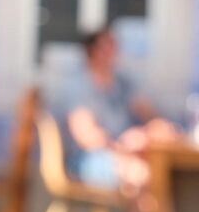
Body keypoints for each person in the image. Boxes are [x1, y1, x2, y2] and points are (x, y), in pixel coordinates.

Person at [63, 27, 178, 202]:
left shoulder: (123, 84)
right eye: (107, 46)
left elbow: (149, 113)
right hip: (90, 158)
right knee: (141, 175)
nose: (113, 51)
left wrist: (154, 129)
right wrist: (122, 146)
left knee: (161, 173)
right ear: (92, 51)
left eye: (115, 45)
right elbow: (87, 137)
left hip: (127, 154)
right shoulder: (80, 87)